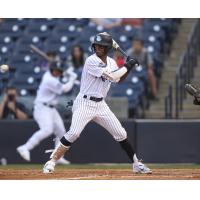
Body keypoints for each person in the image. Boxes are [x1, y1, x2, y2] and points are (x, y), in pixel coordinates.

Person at [43, 32, 151, 174]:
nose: (99, 48)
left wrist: (128, 68)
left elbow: (118, 79)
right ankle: (51, 161)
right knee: (74, 133)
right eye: (97, 45)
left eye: (102, 46)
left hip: (101, 105)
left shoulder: (112, 62)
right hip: (84, 103)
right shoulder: (91, 61)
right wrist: (127, 65)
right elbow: (112, 76)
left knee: (121, 133)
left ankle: (136, 164)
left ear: (108, 48)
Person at [17, 62, 77, 164]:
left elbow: (60, 80)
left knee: (61, 132)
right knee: (47, 130)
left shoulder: (52, 76)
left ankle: (58, 156)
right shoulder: (49, 79)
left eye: (59, 71)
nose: (57, 73)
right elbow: (64, 89)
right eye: (56, 71)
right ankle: (25, 147)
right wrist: (72, 78)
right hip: (42, 108)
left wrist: (66, 74)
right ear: (51, 70)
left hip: (51, 109)